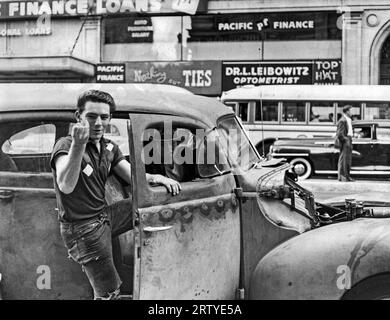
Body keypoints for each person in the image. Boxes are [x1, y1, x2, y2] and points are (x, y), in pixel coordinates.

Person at [50, 89, 182, 300]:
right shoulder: (66, 146)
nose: (98, 123)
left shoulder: (108, 147)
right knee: (108, 294)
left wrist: (158, 178)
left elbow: (131, 175)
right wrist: (78, 145)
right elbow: (65, 185)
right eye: (91, 117)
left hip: (104, 216)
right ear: (78, 117)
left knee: (148, 207)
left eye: (104, 117)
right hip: (83, 229)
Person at [335, 105, 354, 182]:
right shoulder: (342, 120)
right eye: (351, 111)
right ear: (347, 111)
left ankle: (347, 176)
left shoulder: (348, 119)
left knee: (348, 160)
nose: (352, 112)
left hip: (349, 139)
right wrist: (346, 140)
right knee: (344, 160)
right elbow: (340, 134)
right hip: (346, 140)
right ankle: (342, 177)